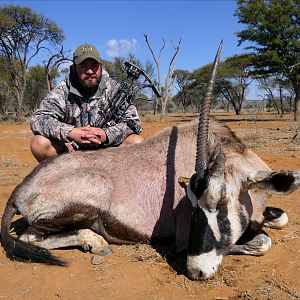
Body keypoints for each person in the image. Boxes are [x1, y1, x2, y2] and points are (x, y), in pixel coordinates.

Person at [30, 43, 144, 162]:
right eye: (83, 66)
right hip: (72, 149)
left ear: (101, 66)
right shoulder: (62, 90)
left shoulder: (115, 89)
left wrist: (106, 134)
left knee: (137, 142)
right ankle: (61, 178)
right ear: (74, 68)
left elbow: (133, 123)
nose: (90, 71)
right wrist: (70, 132)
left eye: (94, 65)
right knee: (39, 144)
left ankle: (119, 179)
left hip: (108, 149)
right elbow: (39, 119)